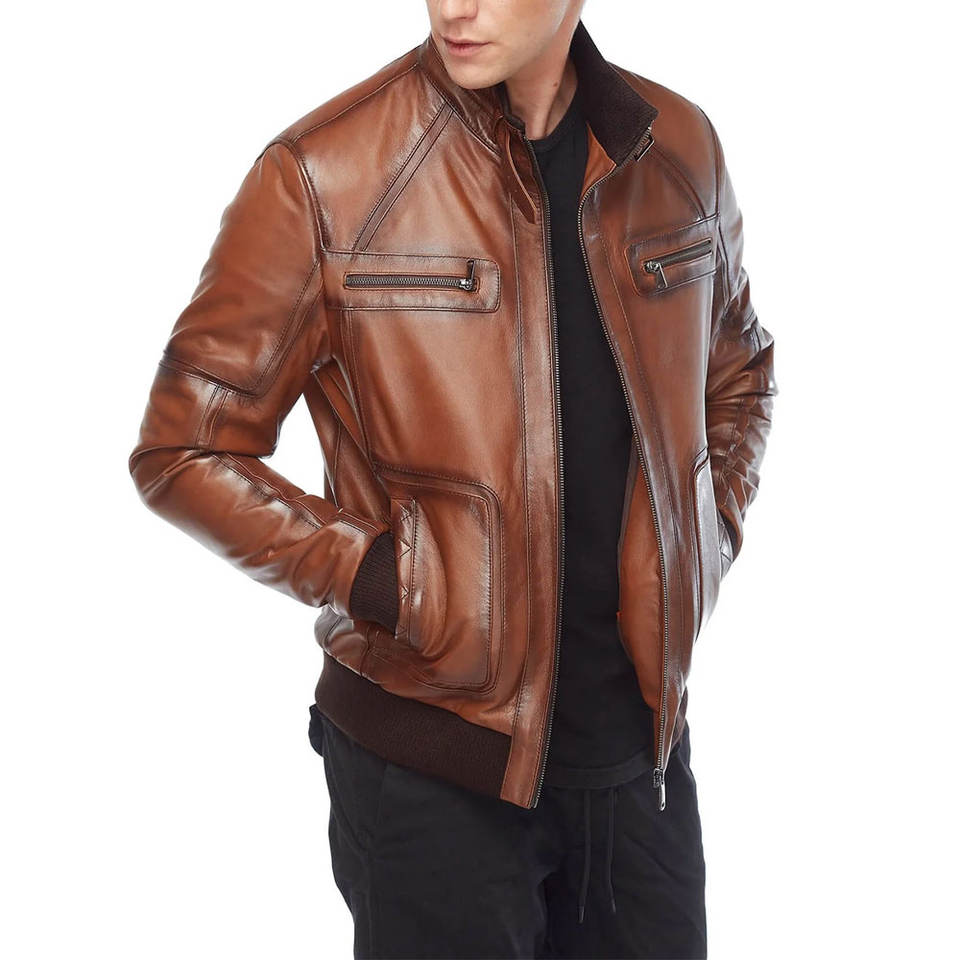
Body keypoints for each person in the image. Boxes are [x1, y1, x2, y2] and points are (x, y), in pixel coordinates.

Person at [128, 1, 777, 956]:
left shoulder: (676, 147)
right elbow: (183, 448)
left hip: (639, 761)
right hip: (429, 774)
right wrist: (385, 580)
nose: (452, 7)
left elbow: (740, 371)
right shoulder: (325, 174)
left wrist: (702, 538)